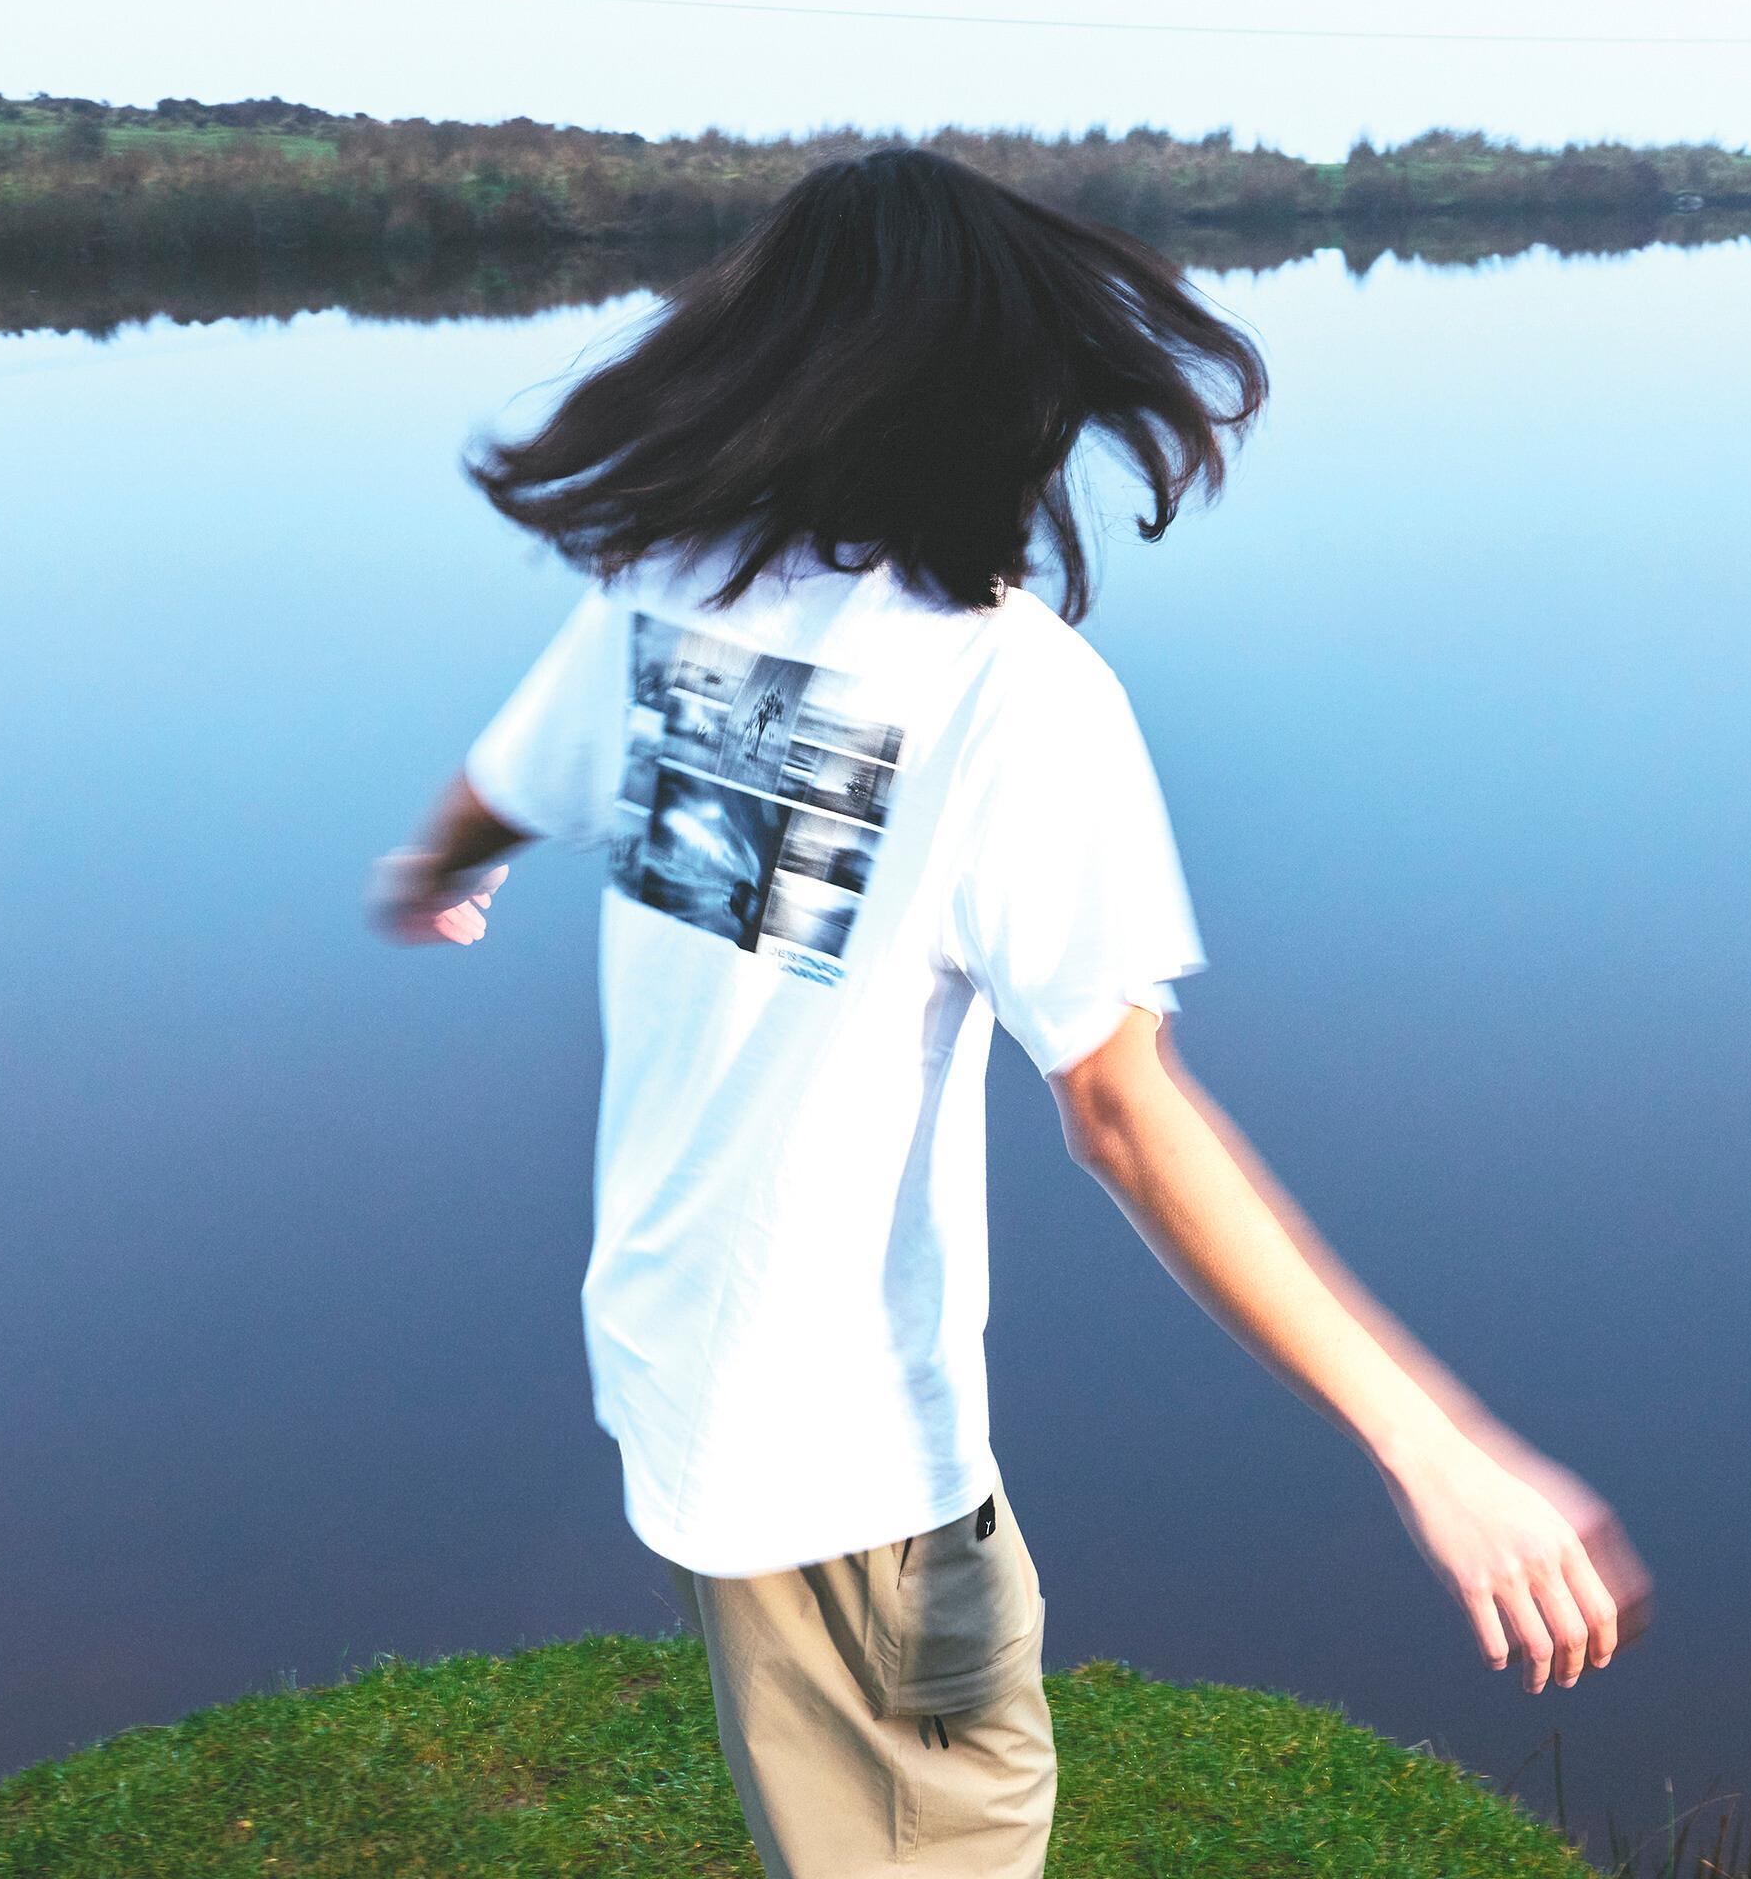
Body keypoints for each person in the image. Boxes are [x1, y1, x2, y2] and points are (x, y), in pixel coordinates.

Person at [366, 148, 1651, 1878]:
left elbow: (495, 788)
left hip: (674, 1378)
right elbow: (1123, 1112)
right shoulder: (1007, 690)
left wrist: (432, 873)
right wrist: (1436, 1449)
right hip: (852, 1475)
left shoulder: (668, 593)